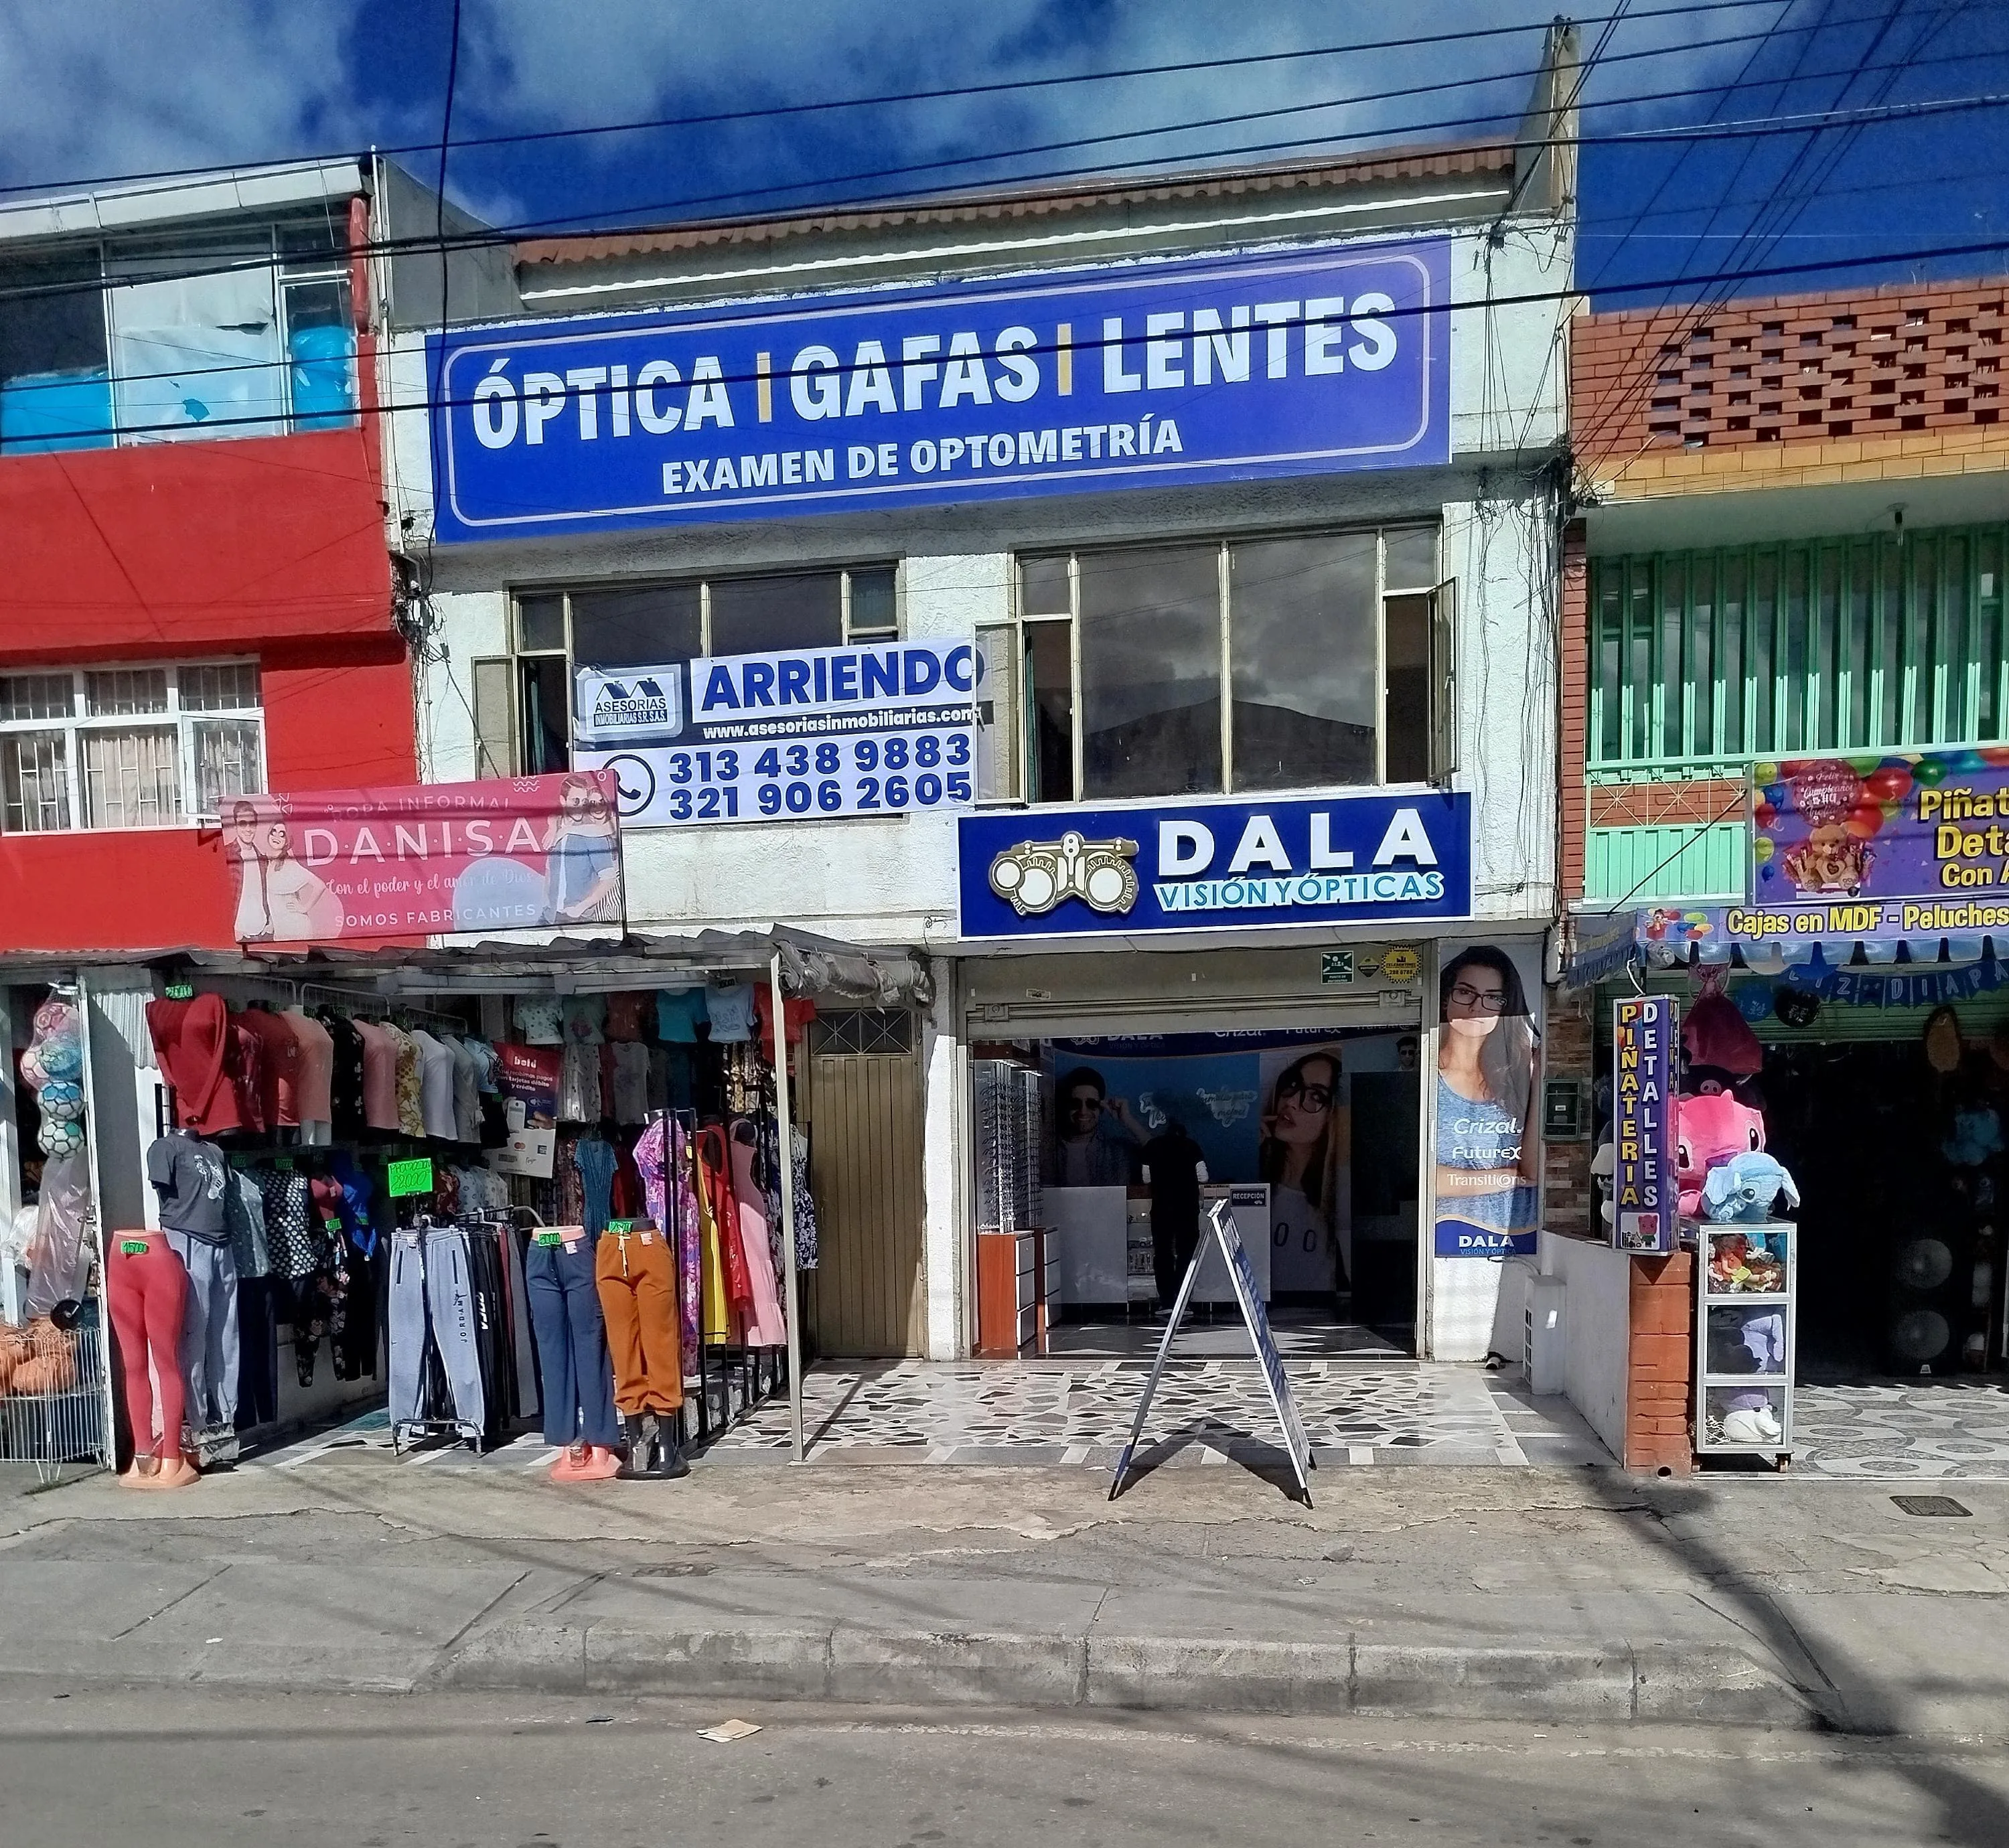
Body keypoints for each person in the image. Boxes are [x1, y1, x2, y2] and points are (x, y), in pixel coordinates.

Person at [1434, 945, 1540, 1242]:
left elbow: (1534, 1171)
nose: (1477, 1007)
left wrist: (1538, 1081)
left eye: (1493, 997)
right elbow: (1420, 1177)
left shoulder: (1518, 1075)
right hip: (1446, 1238)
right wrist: (1507, 1176)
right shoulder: (1427, 1078)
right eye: (1465, 992)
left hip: (1521, 1238)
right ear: (1445, 998)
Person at [1259, 1049, 1349, 1292]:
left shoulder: (1337, 1198)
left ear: (1332, 1117)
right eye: (1292, 1085)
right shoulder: (1258, 1178)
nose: (1291, 1102)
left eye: (1315, 1097)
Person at [230, 803, 344, 942]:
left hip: (295, 927)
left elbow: (319, 885)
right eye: (274, 832)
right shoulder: (266, 861)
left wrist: (304, 908)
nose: (277, 836)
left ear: (286, 841)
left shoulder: (289, 864)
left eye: (282, 834)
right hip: (276, 929)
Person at [1140, 1116, 1207, 1308]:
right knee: (1186, 1252)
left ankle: (1167, 1298)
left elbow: (1146, 1178)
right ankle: (1182, 1294)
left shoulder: (1152, 1146)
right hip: (1187, 1208)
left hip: (1162, 1208)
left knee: (1163, 1253)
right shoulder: (1192, 1146)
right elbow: (1203, 1177)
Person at [544, 773, 623, 925]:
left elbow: (602, 830)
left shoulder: (609, 823)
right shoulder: (585, 826)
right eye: (591, 803)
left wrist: (566, 830)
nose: (597, 807)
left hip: (613, 892)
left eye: (601, 802)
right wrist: (553, 827)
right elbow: (555, 815)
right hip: (595, 898)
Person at [1049, 1066, 1142, 1187]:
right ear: (1066, 1106)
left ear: (1101, 1107)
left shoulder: (1119, 1152)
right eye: (1075, 1104)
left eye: (1091, 1104)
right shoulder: (1048, 1152)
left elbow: (1161, 1158)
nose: (1083, 1111)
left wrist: (1128, 1120)